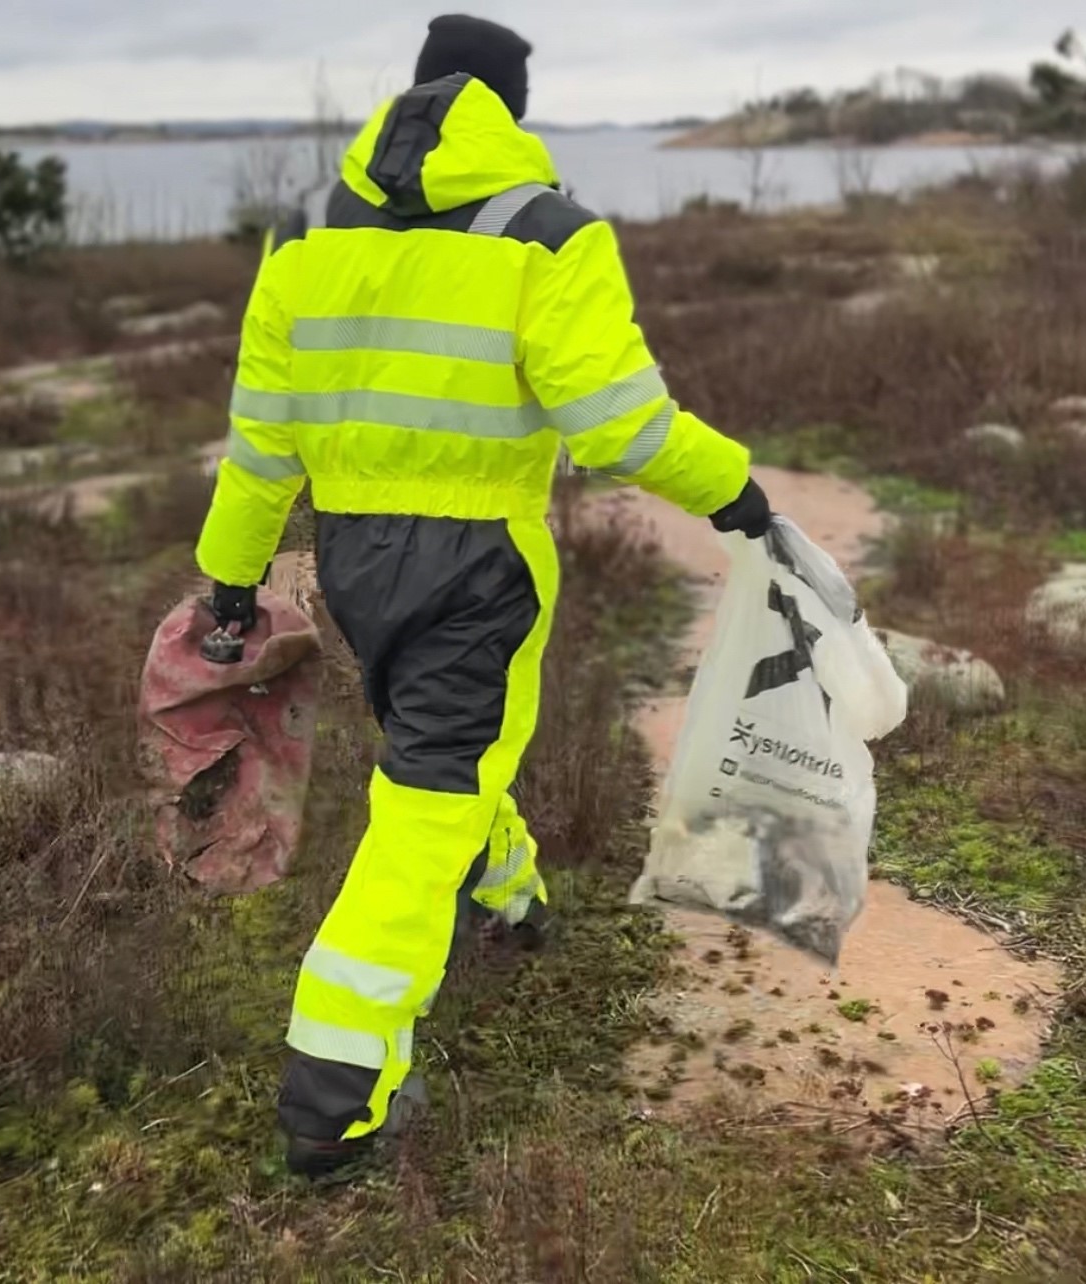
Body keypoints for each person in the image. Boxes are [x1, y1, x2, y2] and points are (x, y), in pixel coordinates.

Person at [193, 13, 774, 1180]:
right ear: (513, 106)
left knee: (438, 757)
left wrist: (231, 567)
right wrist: (737, 492)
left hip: (352, 561)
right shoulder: (549, 234)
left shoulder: (302, 233)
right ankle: (334, 1091)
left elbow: (264, 438)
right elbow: (619, 427)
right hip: (480, 571)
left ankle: (507, 899)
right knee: (426, 798)